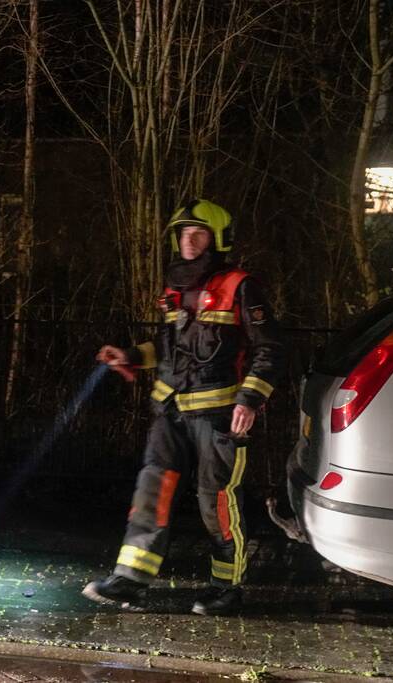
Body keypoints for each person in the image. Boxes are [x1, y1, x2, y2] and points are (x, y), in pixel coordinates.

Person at [83, 199, 286, 616]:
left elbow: (271, 348)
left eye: (198, 233)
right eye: (183, 233)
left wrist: (249, 400)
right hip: (169, 413)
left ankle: (227, 587)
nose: (188, 241)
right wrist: (130, 357)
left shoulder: (240, 285)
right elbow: (168, 348)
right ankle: (129, 581)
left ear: (217, 239)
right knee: (151, 494)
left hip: (218, 416)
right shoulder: (175, 287)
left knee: (216, 502)